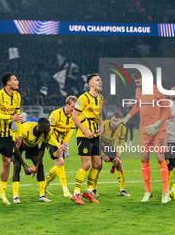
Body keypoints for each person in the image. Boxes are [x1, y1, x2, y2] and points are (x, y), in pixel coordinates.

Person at [118, 70, 171, 204]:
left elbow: (168, 111)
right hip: (144, 130)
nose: (137, 85)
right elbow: (137, 105)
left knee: (160, 159)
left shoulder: (157, 90)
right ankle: (148, 191)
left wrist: (157, 124)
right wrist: (128, 116)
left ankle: (166, 192)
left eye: (139, 82)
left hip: (158, 130)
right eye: (136, 83)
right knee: (144, 159)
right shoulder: (138, 91)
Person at [0, 73, 23, 206]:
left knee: (7, 162)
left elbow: (17, 117)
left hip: (7, 134)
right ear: (8, 83)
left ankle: (1, 192)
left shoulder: (17, 96)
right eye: (15, 80)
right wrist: (10, 118)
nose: (17, 82)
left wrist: (19, 134)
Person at [71, 73, 103, 205]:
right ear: (90, 84)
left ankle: (88, 191)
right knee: (87, 164)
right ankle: (76, 193)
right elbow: (74, 116)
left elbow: (100, 114)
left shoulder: (100, 98)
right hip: (83, 136)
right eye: (97, 80)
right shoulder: (83, 98)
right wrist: (84, 130)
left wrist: (101, 127)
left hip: (95, 135)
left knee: (97, 164)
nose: (100, 82)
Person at [11, 118, 51, 203]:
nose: (49, 129)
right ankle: (15, 197)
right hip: (19, 144)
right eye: (47, 128)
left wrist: (36, 166)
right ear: (40, 128)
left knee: (40, 166)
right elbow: (16, 147)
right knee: (17, 166)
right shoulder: (25, 129)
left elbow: (42, 150)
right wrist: (25, 165)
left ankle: (42, 195)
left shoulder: (47, 134)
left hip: (32, 145)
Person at [44, 96, 77, 198]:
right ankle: (65, 190)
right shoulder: (55, 114)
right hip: (50, 140)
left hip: (61, 143)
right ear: (66, 105)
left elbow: (70, 132)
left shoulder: (74, 116)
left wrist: (63, 144)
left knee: (59, 165)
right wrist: (58, 145)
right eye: (72, 107)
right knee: (60, 162)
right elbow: (50, 132)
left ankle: (43, 186)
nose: (74, 109)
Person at [95, 111, 130, 197]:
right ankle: (93, 189)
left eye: (117, 121)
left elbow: (120, 143)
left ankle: (122, 190)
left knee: (119, 164)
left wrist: (118, 156)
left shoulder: (122, 129)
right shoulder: (103, 124)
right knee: (98, 165)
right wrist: (102, 154)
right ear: (111, 119)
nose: (115, 123)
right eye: (114, 120)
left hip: (110, 146)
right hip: (98, 145)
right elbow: (96, 140)